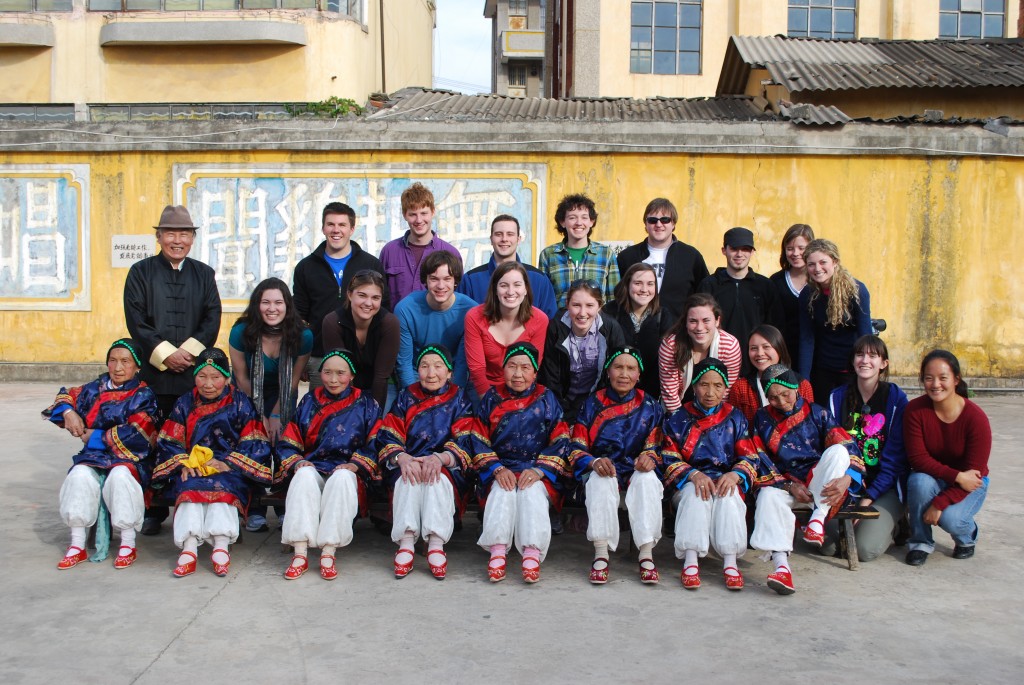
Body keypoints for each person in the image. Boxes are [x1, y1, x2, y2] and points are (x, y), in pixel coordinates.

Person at [123, 204, 221, 536]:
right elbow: (136, 320)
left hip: (193, 377)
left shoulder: (204, 274)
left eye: (184, 234)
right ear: (159, 236)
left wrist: (188, 354)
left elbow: (212, 319)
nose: (177, 240)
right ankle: (153, 508)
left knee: (193, 441)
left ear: (192, 238)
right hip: (154, 375)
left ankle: (188, 502)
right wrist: (166, 354)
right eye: (170, 233)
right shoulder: (140, 272)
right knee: (151, 442)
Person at [152, 349, 273, 578]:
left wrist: (227, 463)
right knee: (188, 486)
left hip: (229, 467)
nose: (208, 384)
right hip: (193, 465)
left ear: (227, 378)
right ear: (194, 377)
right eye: (202, 376)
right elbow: (169, 440)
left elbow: (255, 442)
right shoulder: (184, 403)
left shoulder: (241, 403)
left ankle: (220, 547)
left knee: (222, 488)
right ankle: (188, 550)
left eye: (215, 377)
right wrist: (183, 464)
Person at [358, 344, 475, 580]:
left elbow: (465, 438)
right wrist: (402, 458)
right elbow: (389, 434)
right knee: (408, 478)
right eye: (424, 366)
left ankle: (435, 543)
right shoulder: (405, 396)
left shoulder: (460, 399)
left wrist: (441, 458)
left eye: (438, 366)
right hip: (409, 459)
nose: (431, 373)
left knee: (437, 479)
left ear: (450, 372)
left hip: (445, 465)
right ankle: (406, 542)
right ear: (417, 370)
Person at [44, 338, 160, 570]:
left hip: (130, 459)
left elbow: (139, 434)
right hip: (94, 457)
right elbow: (65, 396)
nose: (118, 368)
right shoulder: (93, 389)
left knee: (120, 478)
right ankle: (77, 544)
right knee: (79, 476)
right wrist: (68, 412)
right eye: (113, 361)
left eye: (125, 362)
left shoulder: (143, 395)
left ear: (137, 366)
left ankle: (128, 543)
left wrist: (95, 436)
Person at [748, 364, 864, 594]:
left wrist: (848, 478)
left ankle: (817, 521)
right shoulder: (761, 418)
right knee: (767, 496)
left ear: (796, 389)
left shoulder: (817, 412)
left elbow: (848, 446)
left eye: (785, 394)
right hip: (782, 483)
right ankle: (781, 567)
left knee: (839, 452)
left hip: (817, 483)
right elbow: (759, 458)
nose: (781, 402)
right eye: (773, 398)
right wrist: (788, 485)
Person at [275, 350, 382, 580]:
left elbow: (376, 443)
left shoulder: (366, 404)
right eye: (327, 372)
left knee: (342, 479)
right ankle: (300, 552)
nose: (333, 379)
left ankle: (328, 552)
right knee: (302, 476)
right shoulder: (309, 401)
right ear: (319, 373)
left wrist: (356, 465)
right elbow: (289, 441)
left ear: (352, 375)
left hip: (347, 470)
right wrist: (299, 462)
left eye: (341, 373)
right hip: (315, 466)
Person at [469, 343, 570, 583]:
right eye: (512, 367)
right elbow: (478, 437)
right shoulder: (492, 398)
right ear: (503, 369)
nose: (518, 374)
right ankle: (497, 551)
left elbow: (561, 438)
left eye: (525, 368)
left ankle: (532, 553)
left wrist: (539, 470)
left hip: (535, 470)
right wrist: (496, 468)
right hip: (500, 467)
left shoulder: (547, 398)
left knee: (531, 493)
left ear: (535, 372)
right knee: (502, 492)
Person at [661, 359, 763, 590]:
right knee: (698, 495)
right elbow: (668, 456)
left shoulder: (735, 417)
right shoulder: (678, 418)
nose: (710, 392)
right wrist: (693, 474)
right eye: (703, 385)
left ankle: (729, 562)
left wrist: (735, 475)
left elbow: (749, 456)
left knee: (728, 497)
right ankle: (690, 560)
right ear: (694, 386)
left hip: (725, 477)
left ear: (726, 387)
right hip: (689, 481)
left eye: (718, 385)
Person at [567, 347, 665, 584]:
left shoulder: (650, 406)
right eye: (618, 367)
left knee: (648, 480)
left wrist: (650, 457)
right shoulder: (591, 403)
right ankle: (601, 554)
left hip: (635, 470)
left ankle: (646, 554)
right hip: (604, 467)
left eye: (631, 368)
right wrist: (593, 461)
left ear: (639, 374)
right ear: (608, 371)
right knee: (600, 480)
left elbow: (660, 447)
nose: (624, 374)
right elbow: (575, 447)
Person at [903, 350, 991, 566]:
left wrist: (938, 504)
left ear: (956, 379)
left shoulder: (976, 418)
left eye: (943, 378)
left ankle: (967, 536)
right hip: (937, 476)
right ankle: (920, 542)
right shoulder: (915, 410)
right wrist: (957, 475)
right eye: (928, 378)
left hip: (972, 482)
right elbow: (918, 459)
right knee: (918, 480)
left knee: (950, 519)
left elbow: (974, 473)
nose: (935, 384)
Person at [825, 335, 909, 561]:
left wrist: (867, 498)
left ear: (883, 364)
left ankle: (898, 523)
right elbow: (832, 449)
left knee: (863, 549)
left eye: (873, 356)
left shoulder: (896, 400)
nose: (865, 360)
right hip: (848, 484)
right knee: (831, 545)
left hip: (884, 487)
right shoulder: (837, 398)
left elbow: (894, 461)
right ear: (852, 361)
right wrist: (845, 484)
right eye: (860, 354)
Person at [293, 202, 388, 389]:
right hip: (321, 358)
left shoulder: (371, 264)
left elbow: (383, 307)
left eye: (342, 225)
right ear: (323, 228)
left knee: (364, 414)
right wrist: (301, 355)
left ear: (352, 229)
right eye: (331, 224)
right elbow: (299, 315)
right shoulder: (306, 267)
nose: (336, 230)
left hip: (363, 358)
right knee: (324, 413)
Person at [539, 280, 626, 423]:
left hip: (598, 403)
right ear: (567, 305)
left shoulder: (610, 328)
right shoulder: (556, 327)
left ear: (599, 306)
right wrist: (560, 413)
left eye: (590, 305)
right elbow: (550, 375)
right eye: (576, 305)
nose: (582, 313)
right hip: (562, 403)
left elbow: (619, 370)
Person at [697, 227, 782, 372]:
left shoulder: (765, 286)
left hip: (756, 363)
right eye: (734, 248)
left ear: (752, 252)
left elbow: (775, 327)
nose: (739, 254)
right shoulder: (709, 285)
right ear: (724, 250)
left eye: (745, 249)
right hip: (717, 363)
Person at [798, 238, 872, 401]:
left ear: (835, 261)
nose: (817, 269)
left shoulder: (856, 291)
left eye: (823, 262)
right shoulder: (808, 294)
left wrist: (867, 371)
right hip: (823, 368)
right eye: (811, 264)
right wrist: (804, 380)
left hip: (850, 369)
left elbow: (865, 335)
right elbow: (807, 339)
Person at [616, 198, 709, 324]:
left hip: (678, 332)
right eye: (653, 220)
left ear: (673, 223)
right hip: (635, 332)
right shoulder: (627, 257)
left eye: (665, 219)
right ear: (646, 224)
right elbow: (618, 296)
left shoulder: (691, 256)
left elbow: (704, 297)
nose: (659, 224)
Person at [464, 261, 549, 398]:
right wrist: (491, 404)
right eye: (504, 285)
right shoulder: (474, 317)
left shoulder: (540, 319)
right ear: (495, 290)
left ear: (526, 289)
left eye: (517, 285)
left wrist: (513, 405)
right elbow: (477, 370)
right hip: (483, 388)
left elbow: (532, 367)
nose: (510, 292)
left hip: (522, 387)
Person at [394, 251, 475, 390]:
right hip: (418, 374)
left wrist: (451, 400)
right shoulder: (405, 309)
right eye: (434, 279)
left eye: (447, 279)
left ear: (455, 280)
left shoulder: (470, 311)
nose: (441, 286)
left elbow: (462, 365)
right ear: (425, 280)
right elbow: (405, 363)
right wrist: (415, 398)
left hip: (453, 375)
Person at [321, 269, 400, 410]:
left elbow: (381, 376)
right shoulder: (332, 322)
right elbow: (339, 372)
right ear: (350, 294)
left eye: (375, 298)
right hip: (342, 385)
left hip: (377, 386)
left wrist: (372, 416)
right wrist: (350, 413)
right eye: (362, 295)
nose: (368, 303)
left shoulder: (389, 323)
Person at [457, 214, 558, 318]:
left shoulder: (539, 280)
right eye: (498, 234)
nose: (504, 239)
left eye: (510, 234)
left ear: (518, 239)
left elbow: (550, 323)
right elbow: (461, 321)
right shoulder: (470, 280)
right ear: (491, 239)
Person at [379, 182, 462, 307]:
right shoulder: (389, 251)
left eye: (424, 213)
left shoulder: (451, 253)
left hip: (437, 324)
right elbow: (380, 294)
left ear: (433, 212)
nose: (418, 220)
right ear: (404, 215)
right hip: (398, 324)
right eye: (412, 214)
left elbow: (458, 298)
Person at [658, 293, 742, 413]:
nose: (699, 327)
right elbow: (669, 393)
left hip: (716, 413)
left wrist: (712, 422)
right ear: (685, 322)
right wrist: (683, 424)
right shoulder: (671, 346)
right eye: (693, 321)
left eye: (706, 320)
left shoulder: (730, 345)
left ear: (717, 321)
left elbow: (725, 392)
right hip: (678, 410)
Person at [601, 262, 672, 399]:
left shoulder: (663, 316)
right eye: (638, 283)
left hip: (650, 396)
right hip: (612, 394)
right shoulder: (609, 312)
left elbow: (667, 361)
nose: (644, 289)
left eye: (650, 284)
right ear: (627, 284)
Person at [537, 193, 618, 308]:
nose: (579, 222)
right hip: (560, 323)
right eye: (572, 217)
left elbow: (613, 298)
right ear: (562, 222)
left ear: (591, 221)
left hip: (597, 323)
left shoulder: (606, 254)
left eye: (584, 217)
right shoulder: (549, 255)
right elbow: (544, 298)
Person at [729, 324, 814, 422]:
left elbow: (810, 425)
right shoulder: (740, 388)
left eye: (766, 347)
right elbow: (735, 427)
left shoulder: (803, 385)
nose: (760, 353)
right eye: (753, 348)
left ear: (779, 349)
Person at [769, 224, 815, 373]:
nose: (795, 253)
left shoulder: (819, 280)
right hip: (785, 354)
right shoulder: (776, 282)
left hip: (817, 355)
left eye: (801, 248)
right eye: (790, 248)